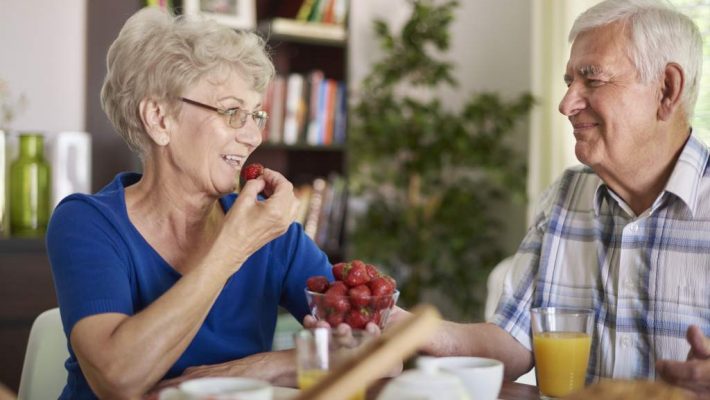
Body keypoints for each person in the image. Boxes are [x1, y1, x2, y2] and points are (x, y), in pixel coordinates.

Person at [388, 0, 710, 396]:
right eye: (569, 82)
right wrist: (405, 327)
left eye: (592, 80)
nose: (566, 104)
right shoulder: (567, 195)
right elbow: (512, 339)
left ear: (667, 89)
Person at [46, 7, 334, 399]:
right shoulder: (87, 222)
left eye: (257, 115)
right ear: (160, 119)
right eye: (232, 112)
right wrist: (233, 247)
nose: (253, 136)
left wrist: (268, 365)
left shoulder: (269, 229)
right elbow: (117, 379)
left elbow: (378, 345)